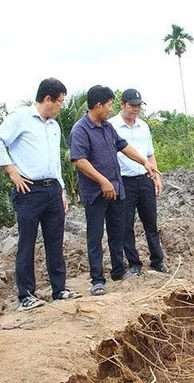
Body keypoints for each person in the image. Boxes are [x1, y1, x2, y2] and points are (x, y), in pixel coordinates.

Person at [0, 77, 79, 312]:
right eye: (59, 102)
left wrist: (62, 190)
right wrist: (12, 172)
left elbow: (53, 161)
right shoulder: (21, 118)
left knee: (55, 241)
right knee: (27, 243)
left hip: (52, 189)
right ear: (47, 99)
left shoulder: (54, 126)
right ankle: (26, 294)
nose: (61, 107)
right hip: (28, 190)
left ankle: (59, 289)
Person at [69, 85, 159, 296]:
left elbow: (124, 146)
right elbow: (80, 160)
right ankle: (97, 279)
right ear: (98, 105)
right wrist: (103, 182)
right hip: (96, 193)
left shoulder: (107, 128)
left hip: (117, 191)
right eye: (109, 104)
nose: (110, 109)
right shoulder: (80, 130)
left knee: (117, 232)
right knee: (95, 235)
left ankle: (118, 271)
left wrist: (145, 162)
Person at [108, 89, 168, 275]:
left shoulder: (143, 126)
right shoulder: (111, 126)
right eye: (132, 105)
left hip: (145, 178)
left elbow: (150, 153)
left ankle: (157, 260)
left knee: (151, 222)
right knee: (126, 225)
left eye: (138, 106)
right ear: (122, 104)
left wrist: (156, 176)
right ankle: (134, 263)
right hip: (125, 181)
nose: (136, 109)